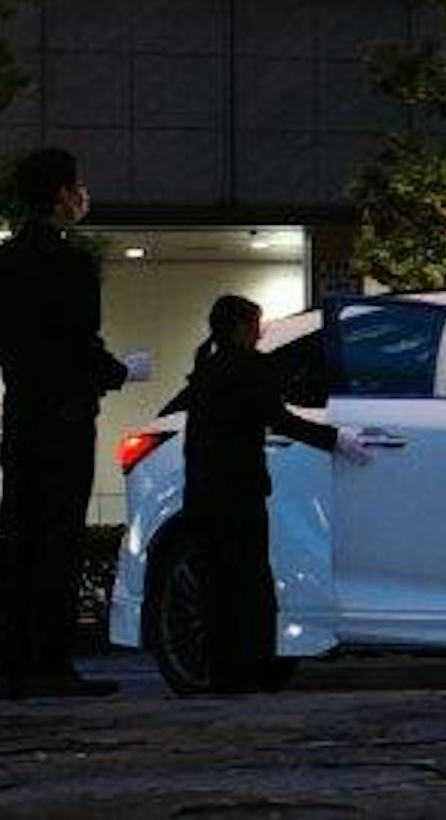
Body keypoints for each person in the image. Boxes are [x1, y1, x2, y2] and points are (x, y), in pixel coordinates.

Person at [0, 146, 128, 701]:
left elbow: (2, 343)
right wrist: (108, 372)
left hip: (22, 411)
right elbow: (81, 343)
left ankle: (11, 666)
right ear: (63, 193)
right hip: (66, 414)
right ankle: (51, 661)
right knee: (59, 538)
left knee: (15, 535)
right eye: (77, 185)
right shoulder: (72, 264)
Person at [176, 294, 357, 691]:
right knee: (248, 580)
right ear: (243, 327)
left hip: (203, 493)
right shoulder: (250, 368)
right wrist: (334, 439)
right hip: (239, 491)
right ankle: (250, 666)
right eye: (256, 323)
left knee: (216, 583)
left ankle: (223, 671)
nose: (261, 331)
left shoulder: (205, 370)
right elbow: (277, 418)